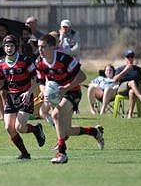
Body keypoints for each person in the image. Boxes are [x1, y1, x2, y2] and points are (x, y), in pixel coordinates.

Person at [36, 34, 104, 164]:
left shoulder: (64, 59)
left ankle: (62, 153)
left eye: (43, 47)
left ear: (52, 47)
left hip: (73, 92)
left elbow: (82, 76)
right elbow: (41, 82)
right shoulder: (39, 63)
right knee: (67, 130)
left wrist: (66, 87)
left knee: (56, 115)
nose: (40, 50)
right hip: (59, 94)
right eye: (38, 47)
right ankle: (94, 132)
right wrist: (45, 92)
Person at [0, 35, 46, 159]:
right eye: (7, 46)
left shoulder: (25, 60)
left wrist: (29, 92)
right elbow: (0, 83)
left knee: (20, 127)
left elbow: (35, 80)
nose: (9, 48)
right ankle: (25, 153)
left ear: (16, 47)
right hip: (11, 97)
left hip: (25, 96)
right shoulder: (1, 63)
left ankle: (36, 130)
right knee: (9, 128)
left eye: (12, 46)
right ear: (3, 47)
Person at [113, 50, 141, 118]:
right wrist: (125, 70)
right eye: (128, 57)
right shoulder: (120, 69)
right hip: (122, 89)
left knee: (132, 92)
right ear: (125, 58)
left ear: (134, 58)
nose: (130, 59)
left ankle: (130, 115)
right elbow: (114, 80)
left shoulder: (139, 69)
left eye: (132, 57)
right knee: (132, 82)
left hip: (135, 90)